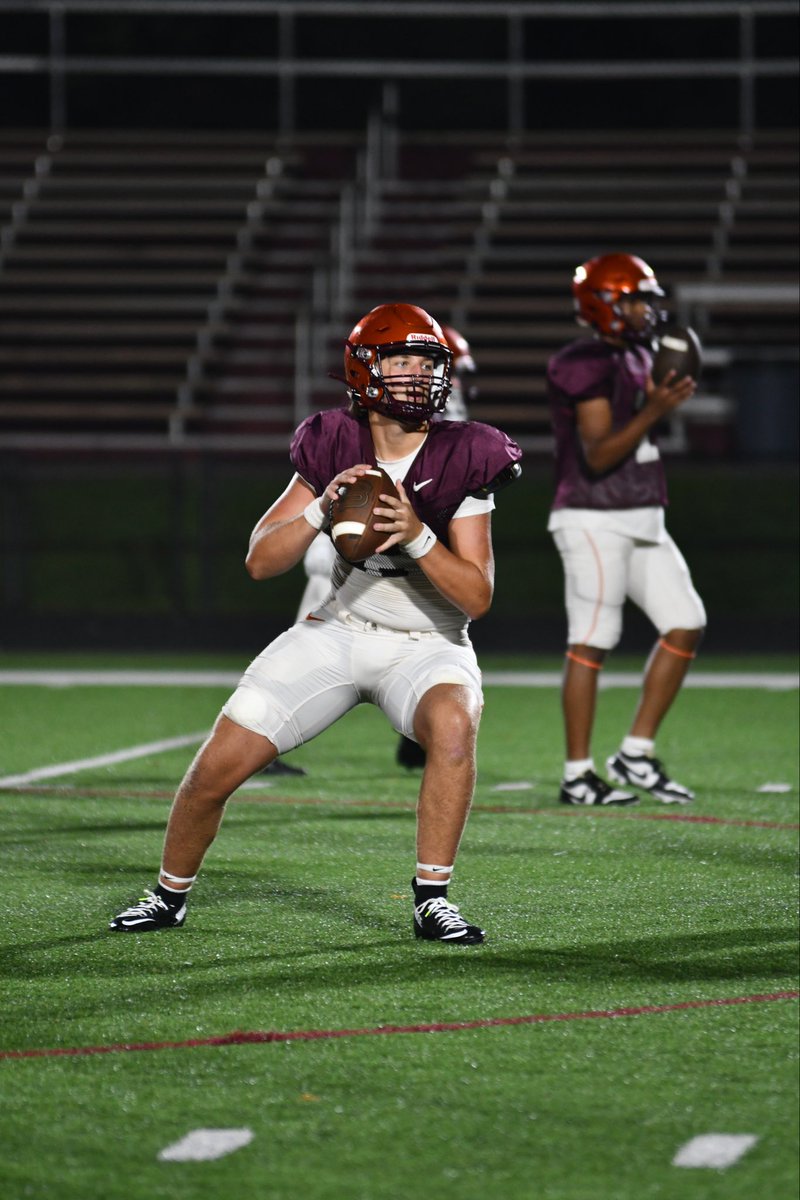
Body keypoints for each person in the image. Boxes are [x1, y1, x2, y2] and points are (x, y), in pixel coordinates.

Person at [110, 302, 521, 944]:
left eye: (428, 361)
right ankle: (167, 894)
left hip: (429, 643)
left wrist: (416, 535)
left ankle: (432, 897)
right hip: (336, 631)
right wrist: (318, 512)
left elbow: (477, 596)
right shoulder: (332, 441)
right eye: (402, 360)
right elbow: (260, 560)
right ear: (364, 370)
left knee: (453, 726)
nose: (419, 374)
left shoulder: (469, 451)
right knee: (215, 766)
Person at [547, 253, 706, 807]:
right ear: (605, 305)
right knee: (592, 640)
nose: (645, 310)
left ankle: (634, 754)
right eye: (635, 299)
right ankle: (577, 774)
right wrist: (654, 409)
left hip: (641, 511)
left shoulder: (640, 353)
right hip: (593, 516)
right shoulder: (581, 361)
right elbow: (597, 454)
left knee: (685, 622)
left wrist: (658, 398)